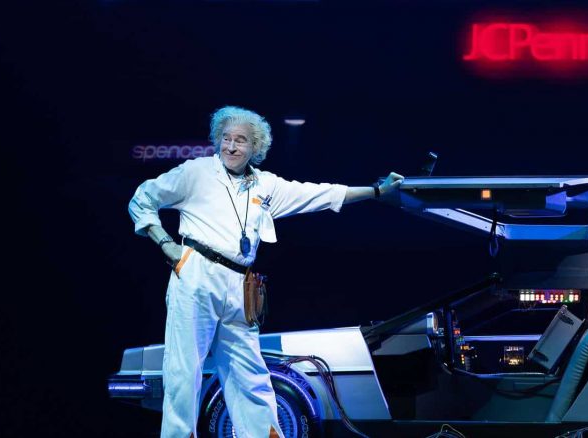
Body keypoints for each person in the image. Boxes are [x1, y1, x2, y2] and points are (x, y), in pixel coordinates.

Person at [128, 106, 404, 438]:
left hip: (240, 285)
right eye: (226, 138)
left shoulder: (265, 185)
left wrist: (376, 191)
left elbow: (319, 193)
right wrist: (165, 244)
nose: (231, 146)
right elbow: (143, 198)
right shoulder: (197, 172)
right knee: (183, 371)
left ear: (255, 147)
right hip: (197, 273)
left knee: (250, 374)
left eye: (240, 140)